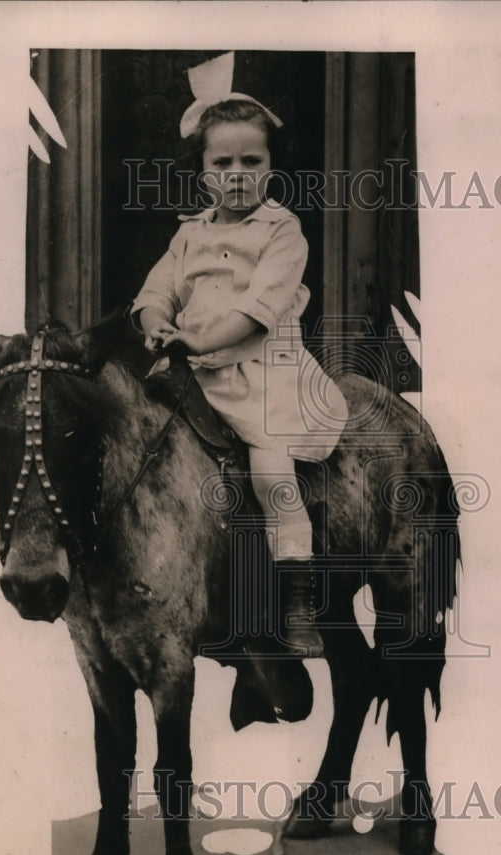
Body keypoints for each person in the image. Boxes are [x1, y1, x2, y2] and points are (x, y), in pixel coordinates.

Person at [132, 52, 348, 658]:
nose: (236, 174)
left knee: (271, 472)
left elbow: (261, 307)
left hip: (260, 377)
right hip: (194, 373)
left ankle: (298, 601)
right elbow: (156, 292)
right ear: (201, 170)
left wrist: (196, 337)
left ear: (271, 167)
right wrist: (157, 326)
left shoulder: (281, 232)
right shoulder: (190, 232)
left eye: (251, 161)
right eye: (221, 162)